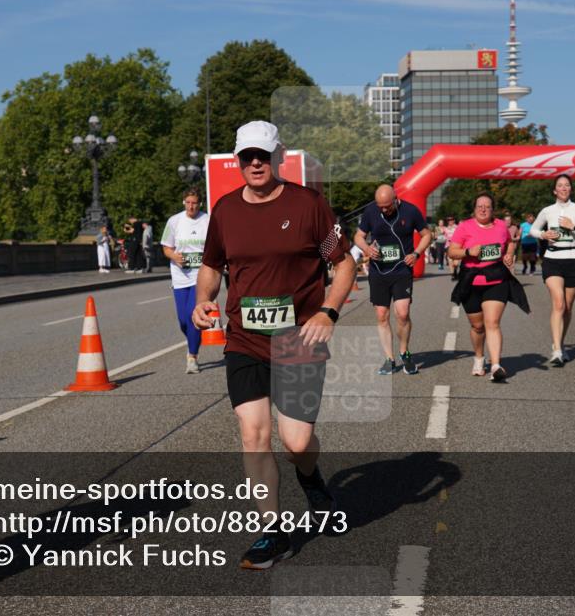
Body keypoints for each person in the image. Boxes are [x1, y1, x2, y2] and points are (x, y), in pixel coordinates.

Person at [191, 121, 355, 570]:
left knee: (296, 441)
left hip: (300, 337)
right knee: (254, 434)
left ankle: (311, 478)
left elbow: (343, 266)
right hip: (244, 339)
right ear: (238, 160)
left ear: (279, 155)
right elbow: (211, 265)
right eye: (248, 156)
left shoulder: (309, 206)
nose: (256, 163)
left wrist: (329, 312)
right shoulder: (224, 211)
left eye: (263, 155)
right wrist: (204, 299)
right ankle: (273, 531)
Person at [353, 184, 432, 375]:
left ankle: (404, 352)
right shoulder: (371, 211)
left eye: (387, 206)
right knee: (382, 315)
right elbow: (358, 236)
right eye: (380, 206)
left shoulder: (411, 211)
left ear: (396, 199)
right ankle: (389, 358)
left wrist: (416, 253)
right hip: (379, 271)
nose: (383, 210)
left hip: (401, 269)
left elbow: (427, 234)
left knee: (403, 313)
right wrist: (366, 248)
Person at [447, 193, 526, 382]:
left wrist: (508, 254)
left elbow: (509, 244)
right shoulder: (465, 227)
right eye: (479, 206)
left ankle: (496, 365)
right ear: (474, 209)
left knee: (492, 322)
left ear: (493, 209)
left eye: (487, 206)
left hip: (496, 280)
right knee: (478, 326)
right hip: (471, 281)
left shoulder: (500, 226)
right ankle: (479, 357)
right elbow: (451, 251)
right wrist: (468, 251)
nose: (483, 209)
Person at [528, 174, 575, 366]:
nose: (564, 188)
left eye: (567, 185)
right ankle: (556, 350)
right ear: (554, 190)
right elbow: (533, 229)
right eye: (560, 185)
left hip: (573, 260)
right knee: (558, 303)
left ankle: (560, 343)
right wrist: (543, 234)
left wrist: (572, 226)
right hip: (552, 260)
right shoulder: (548, 211)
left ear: (570, 189)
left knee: (567, 307)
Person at [161, 189, 209, 374]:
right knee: (183, 320)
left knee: (192, 316)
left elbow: (216, 245)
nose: (191, 206)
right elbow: (166, 248)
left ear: (200, 204)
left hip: (201, 275)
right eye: (188, 202)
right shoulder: (175, 221)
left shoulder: (208, 220)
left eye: (194, 203)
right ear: (183, 202)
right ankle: (193, 337)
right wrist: (174, 256)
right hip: (180, 276)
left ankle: (192, 357)